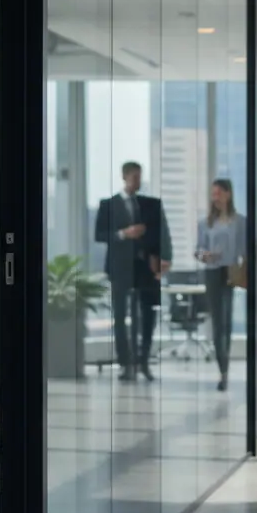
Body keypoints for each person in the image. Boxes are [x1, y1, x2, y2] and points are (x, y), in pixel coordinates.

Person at [94, 161, 172, 382]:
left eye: (140, 176)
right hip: (119, 268)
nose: (138, 181)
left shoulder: (150, 204)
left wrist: (164, 259)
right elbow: (99, 234)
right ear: (125, 176)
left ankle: (144, 360)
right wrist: (123, 233)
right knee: (120, 316)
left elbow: (162, 233)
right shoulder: (108, 205)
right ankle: (125, 364)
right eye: (135, 177)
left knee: (148, 315)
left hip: (146, 268)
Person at [195, 179, 247, 392]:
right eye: (212, 194)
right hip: (213, 273)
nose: (214, 198)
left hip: (232, 272)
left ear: (228, 194)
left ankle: (225, 366)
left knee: (227, 322)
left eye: (218, 193)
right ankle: (223, 371)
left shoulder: (240, 221)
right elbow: (197, 250)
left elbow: (246, 250)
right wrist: (204, 255)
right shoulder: (205, 223)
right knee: (218, 323)